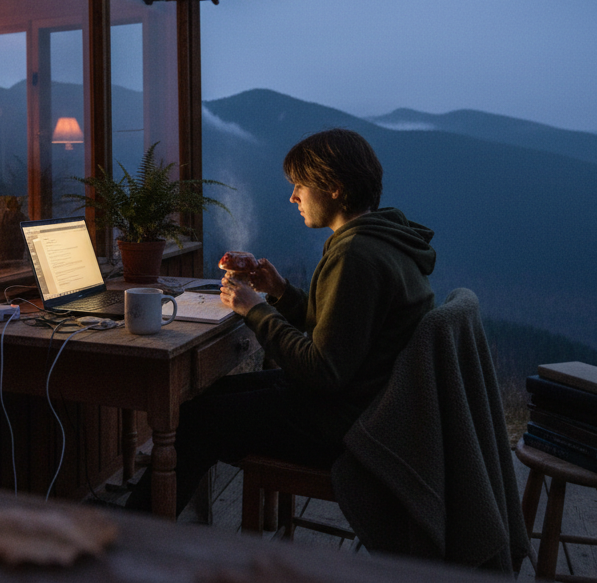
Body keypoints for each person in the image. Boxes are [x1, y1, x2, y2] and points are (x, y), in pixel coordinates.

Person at [124, 127, 437, 517]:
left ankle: (126, 536)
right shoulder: (383, 240)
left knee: (197, 421)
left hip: (346, 424)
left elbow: (323, 370)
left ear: (335, 187)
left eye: (300, 186)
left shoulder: (356, 255)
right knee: (201, 401)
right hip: (366, 404)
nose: (293, 197)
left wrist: (254, 309)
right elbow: (340, 328)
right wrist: (280, 291)